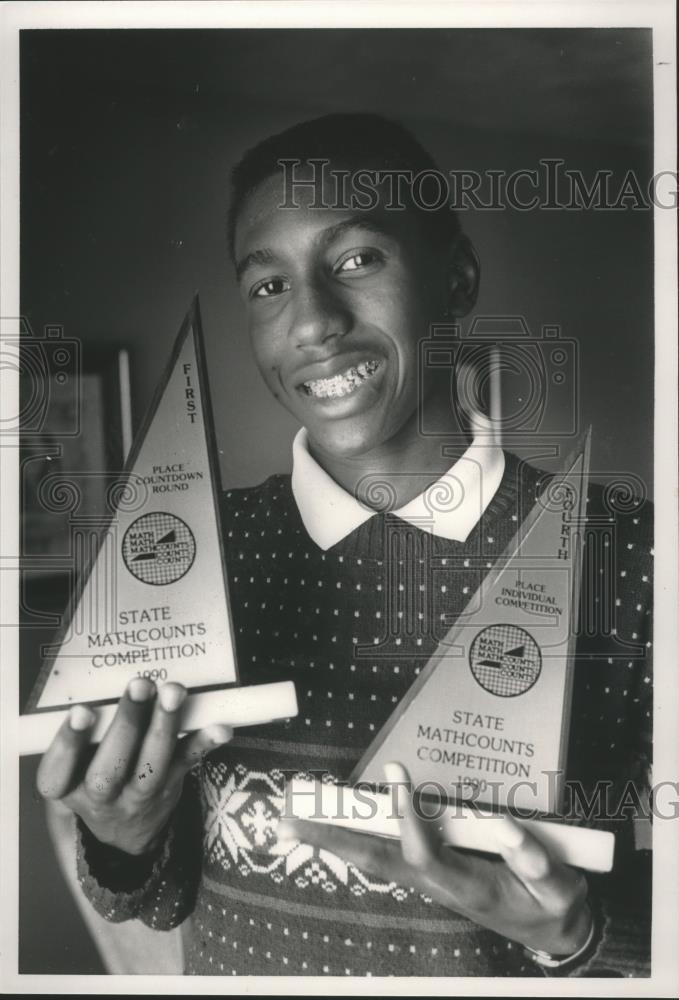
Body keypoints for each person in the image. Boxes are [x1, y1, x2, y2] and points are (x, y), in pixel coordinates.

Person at [37, 114, 653, 977]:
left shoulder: (633, 558)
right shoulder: (193, 562)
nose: (313, 322)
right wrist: (119, 842)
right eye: (267, 286)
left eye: (358, 259)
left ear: (457, 275)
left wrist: (578, 935)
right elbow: (153, 899)